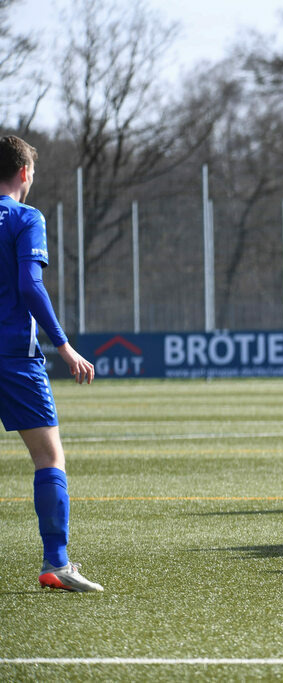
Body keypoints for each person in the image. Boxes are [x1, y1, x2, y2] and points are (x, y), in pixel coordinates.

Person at [0, 135, 102, 592]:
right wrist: (64, 345)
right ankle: (56, 563)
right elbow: (30, 285)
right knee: (48, 457)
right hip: (14, 356)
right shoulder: (26, 217)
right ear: (24, 173)